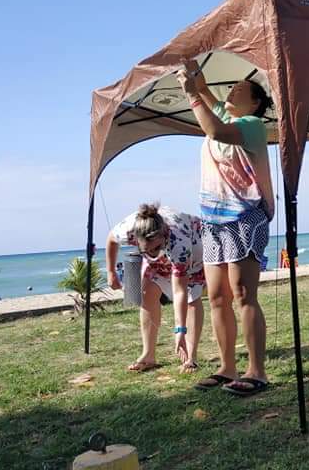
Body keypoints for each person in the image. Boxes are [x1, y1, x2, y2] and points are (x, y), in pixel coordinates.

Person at [177, 59, 275, 397]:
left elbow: (215, 130)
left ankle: (257, 371)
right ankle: (227, 366)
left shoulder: (251, 125)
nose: (231, 90)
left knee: (244, 294)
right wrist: (194, 81)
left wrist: (193, 97)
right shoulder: (229, 115)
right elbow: (207, 95)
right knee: (217, 297)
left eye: (240, 90)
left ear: (256, 104)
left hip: (244, 216)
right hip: (213, 221)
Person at [106, 202, 206, 373]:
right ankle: (148, 355)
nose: (152, 253)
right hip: (165, 250)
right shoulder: (129, 230)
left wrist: (179, 330)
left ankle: (190, 357)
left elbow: (179, 291)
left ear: (163, 235)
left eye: (156, 248)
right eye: (147, 249)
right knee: (147, 293)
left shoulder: (178, 241)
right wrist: (111, 272)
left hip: (194, 247)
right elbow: (111, 239)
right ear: (136, 240)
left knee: (191, 298)